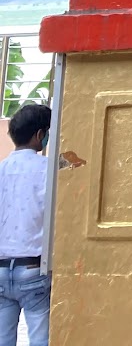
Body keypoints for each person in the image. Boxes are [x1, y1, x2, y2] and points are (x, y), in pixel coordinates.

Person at [0, 102, 52, 346]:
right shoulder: (48, 170)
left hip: (0, 269)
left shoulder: (1, 170)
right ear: (40, 135)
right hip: (33, 269)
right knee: (40, 339)